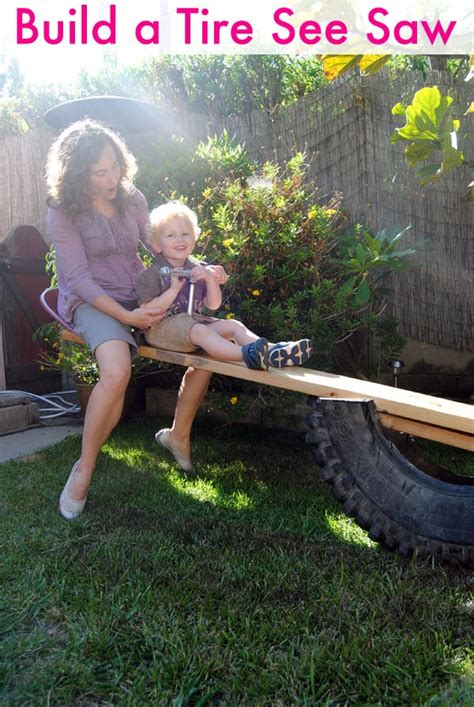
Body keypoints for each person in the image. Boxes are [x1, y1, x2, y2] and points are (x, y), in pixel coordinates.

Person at [45, 119, 223, 520]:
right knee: (116, 372)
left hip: (140, 294)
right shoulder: (62, 211)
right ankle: (84, 468)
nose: (112, 178)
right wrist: (126, 315)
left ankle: (178, 436)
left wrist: (198, 269)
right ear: (77, 174)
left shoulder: (132, 198)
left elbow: (161, 248)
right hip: (94, 303)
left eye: (115, 166)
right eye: (100, 172)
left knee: (204, 343)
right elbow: (76, 278)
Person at [137, 201, 313, 371]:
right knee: (199, 330)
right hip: (161, 331)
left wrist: (210, 279)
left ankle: (274, 351)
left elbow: (213, 305)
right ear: (157, 245)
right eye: (171, 235)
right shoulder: (153, 275)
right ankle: (247, 355)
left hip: (191, 324)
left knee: (233, 326)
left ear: (194, 237)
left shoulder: (197, 268)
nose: (180, 239)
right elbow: (147, 311)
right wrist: (173, 290)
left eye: (185, 234)